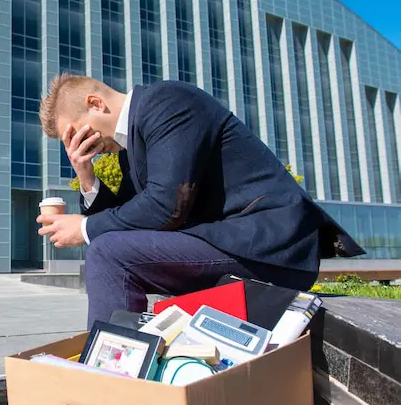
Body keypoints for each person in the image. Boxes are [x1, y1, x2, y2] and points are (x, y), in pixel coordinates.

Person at [37, 73, 365, 329]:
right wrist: (86, 176)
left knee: (108, 254)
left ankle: (110, 379)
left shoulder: (167, 102)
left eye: (75, 133)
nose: (77, 145)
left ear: (95, 103)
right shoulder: (131, 147)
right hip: (227, 243)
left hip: (267, 244)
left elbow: (166, 206)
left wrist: (85, 227)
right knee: (109, 248)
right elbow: (127, 221)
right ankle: (123, 367)